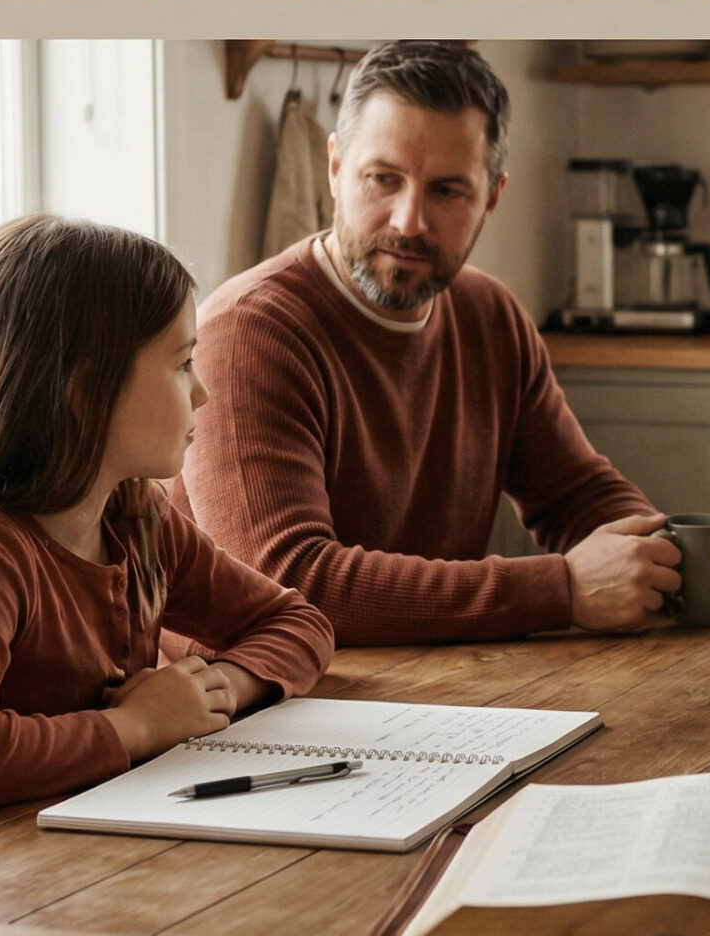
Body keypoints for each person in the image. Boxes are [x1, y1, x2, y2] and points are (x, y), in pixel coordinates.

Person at [0, 215, 335, 821]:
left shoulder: (137, 519)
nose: (202, 393)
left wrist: (214, 690)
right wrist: (136, 726)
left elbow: (297, 622)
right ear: (84, 388)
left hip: (76, 842)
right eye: (182, 364)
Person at [176, 40, 683, 645]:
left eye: (446, 190)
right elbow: (288, 583)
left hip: (429, 682)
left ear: (491, 197)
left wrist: (672, 554)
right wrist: (561, 589)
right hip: (250, 692)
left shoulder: (490, 315)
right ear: (335, 168)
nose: (408, 221)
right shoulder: (247, 333)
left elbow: (575, 495)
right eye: (382, 179)